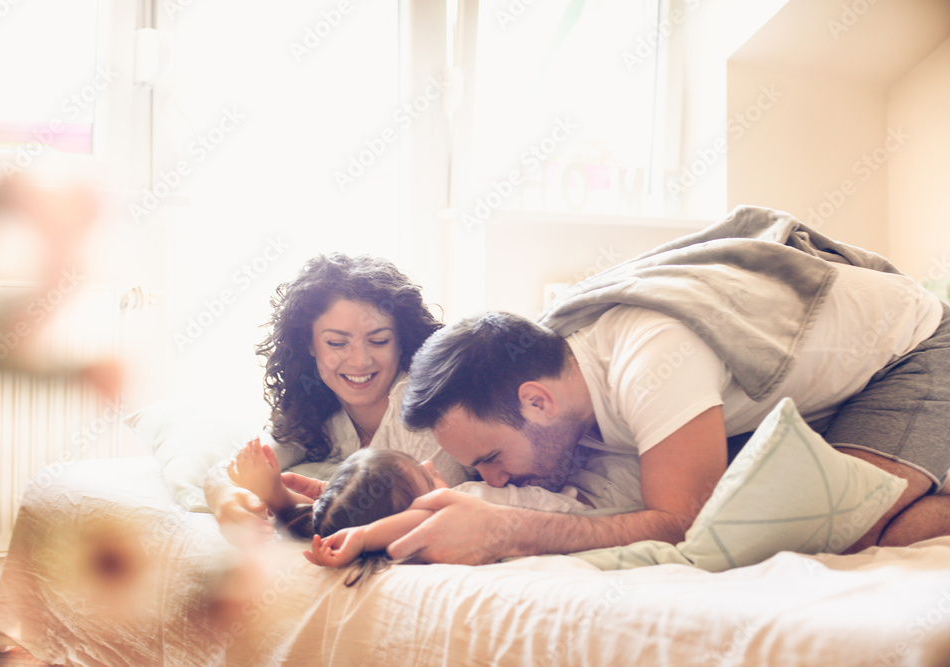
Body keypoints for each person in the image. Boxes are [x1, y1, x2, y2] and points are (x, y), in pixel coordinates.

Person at [386, 206, 950, 565]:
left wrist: (512, 532)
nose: (493, 477)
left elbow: (686, 524)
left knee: (835, 528)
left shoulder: (653, 354)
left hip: (912, 351)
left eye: (490, 459)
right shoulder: (551, 375)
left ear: (538, 401)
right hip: (805, 392)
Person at [203, 253, 468, 543]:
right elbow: (244, 462)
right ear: (309, 344)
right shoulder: (317, 405)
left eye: (379, 340)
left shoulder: (421, 409)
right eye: (337, 343)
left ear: (401, 341)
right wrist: (222, 493)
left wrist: (282, 499)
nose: (360, 361)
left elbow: (438, 518)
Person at [228, 438, 608, 584]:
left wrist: (313, 500)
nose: (429, 464)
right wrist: (361, 536)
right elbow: (423, 520)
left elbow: (345, 519)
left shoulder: (454, 497)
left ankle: (286, 501)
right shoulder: (443, 518)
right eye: (424, 481)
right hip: (586, 514)